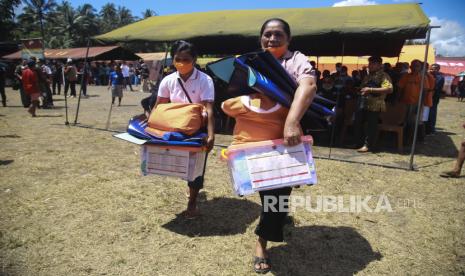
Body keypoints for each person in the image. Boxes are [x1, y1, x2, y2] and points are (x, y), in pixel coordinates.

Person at [232, 18, 316, 274]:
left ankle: (261, 243)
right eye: (267, 34)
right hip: (256, 140)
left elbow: (309, 85)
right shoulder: (252, 62)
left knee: (278, 191)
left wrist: (291, 121)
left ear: (288, 39)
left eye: (278, 34)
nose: (272, 39)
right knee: (269, 190)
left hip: (286, 138)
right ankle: (276, 217)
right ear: (260, 38)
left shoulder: (296, 60)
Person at [154, 40, 215, 218]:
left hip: (197, 131)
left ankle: (192, 203)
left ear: (194, 60)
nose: (181, 63)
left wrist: (211, 135)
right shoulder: (168, 80)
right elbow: (159, 106)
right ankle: (191, 189)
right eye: (177, 59)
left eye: (186, 59)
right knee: (180, 163)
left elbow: (209, 109)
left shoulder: (205, 80)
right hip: (175, 131)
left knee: (196, 168)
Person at [353, 56, 393, 153]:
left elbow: (389, 89)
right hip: (363, 103)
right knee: (358, 122)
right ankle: (359, 143)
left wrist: (370, 90)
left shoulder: (384, 75)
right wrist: (359, 89)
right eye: (369, 63)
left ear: (379, 65)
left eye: (372, 64)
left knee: (371, 126)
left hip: (375, 104)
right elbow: (363, 87)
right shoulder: (368, 76)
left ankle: (368, 145)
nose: (369, 65)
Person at [427, 63, 444, 134]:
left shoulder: (440, 77)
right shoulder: (430, 75)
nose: (432, 70)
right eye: (431, 68)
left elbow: (435, 86)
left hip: (434, 97)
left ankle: (431, 129)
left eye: (434, 68)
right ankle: (427, 128)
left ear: (438, 69)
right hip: (428, 97)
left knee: (432, 112)